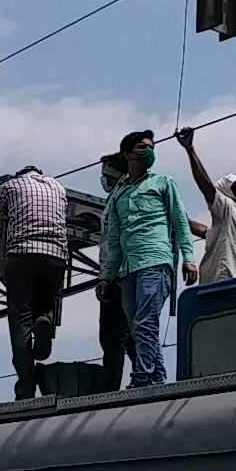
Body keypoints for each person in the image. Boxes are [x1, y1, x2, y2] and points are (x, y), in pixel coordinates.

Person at [101, 130, 197, 388]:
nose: (149, 151)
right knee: (139, 328)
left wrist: (189, 258)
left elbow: (180, 221)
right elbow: (114, 241)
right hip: (128, 269)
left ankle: (142, 376)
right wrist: (107, 277)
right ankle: (157, 378)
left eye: (151, 147)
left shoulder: (163, 183)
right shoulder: (119, 195)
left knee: (145, 323)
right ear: (127, 153)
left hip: (155, 262)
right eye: (142, 147)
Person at [0, 166, 68, 400]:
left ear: (19, 174)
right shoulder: (58, 187)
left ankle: (26, 386)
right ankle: (44, 320)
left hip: (22, 255)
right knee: (45, 303)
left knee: (20, 323)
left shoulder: (11, 185)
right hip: (56, 257)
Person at [176, 126, 236, 283]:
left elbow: (205, 184)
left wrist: (190, 149)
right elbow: (206, 232)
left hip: (222, 277)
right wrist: (178, 217)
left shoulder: (226, 206)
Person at [95, 153, 135, 392]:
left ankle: (110, 388)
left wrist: (105, 278)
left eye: (106, 174)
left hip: (116, 277)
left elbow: (114, 244)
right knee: (130, 334)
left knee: (112, 339)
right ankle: (144, 374)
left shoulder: (118, 202)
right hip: (129, 276)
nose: (104, 180)